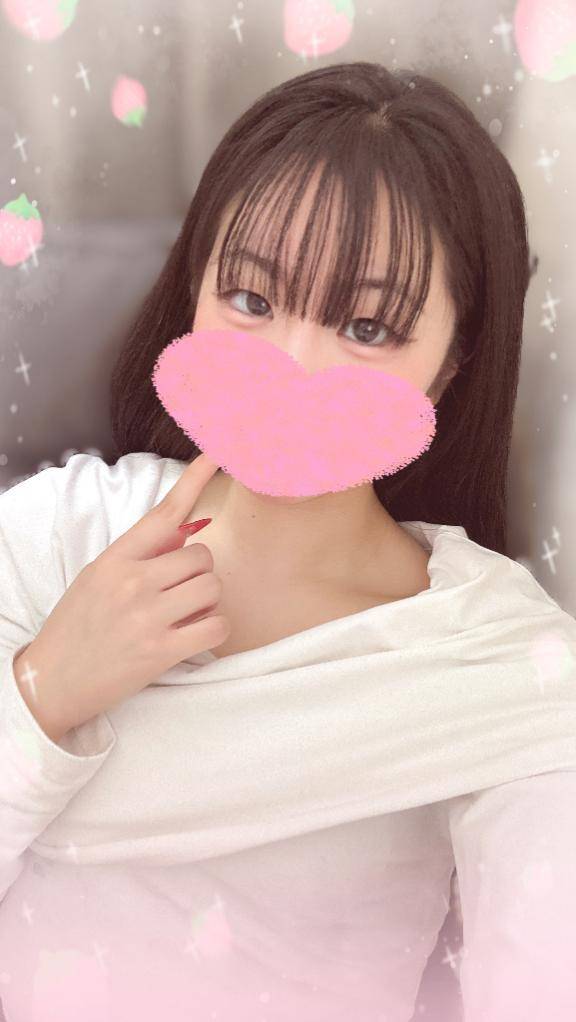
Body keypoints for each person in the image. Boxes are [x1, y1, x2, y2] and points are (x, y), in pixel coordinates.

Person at [1, 60, 576, 1022]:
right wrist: (46, 687)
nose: (294, 368)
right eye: (253, 299)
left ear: (454, 362)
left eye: (367, 326)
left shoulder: (499, 660)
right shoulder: (53, 533)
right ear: (194, 289)